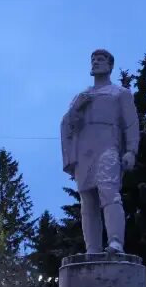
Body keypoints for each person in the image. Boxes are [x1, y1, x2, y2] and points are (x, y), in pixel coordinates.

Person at [60, 49, 140, 253]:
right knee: (87, 200)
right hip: (85, 151)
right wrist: (75, 109)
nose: (95, 62)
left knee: (109, 191)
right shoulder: (81, 96)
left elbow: (131, 123)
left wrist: (131, 150)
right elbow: (68, 124)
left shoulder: (120, 93)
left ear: (110, 65)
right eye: (93, 59)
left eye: (101, 59)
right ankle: (92, 249)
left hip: (108, 146)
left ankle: (115, 242)